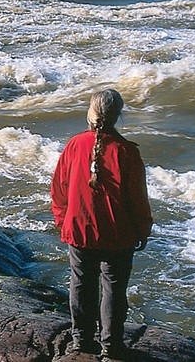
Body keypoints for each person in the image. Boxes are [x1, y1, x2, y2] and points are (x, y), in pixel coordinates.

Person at [50, 89, 153, 360]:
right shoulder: (127, 151)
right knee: (114, 290)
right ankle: (111, 345)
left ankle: (81, 342)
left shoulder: (74, 144)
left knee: (81, 284)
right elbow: (138, 199)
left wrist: (63, 220)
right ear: (118, 116)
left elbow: (59, 189)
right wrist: (143, 229)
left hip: (79, 229)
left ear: (92, 112)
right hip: (118, 234)